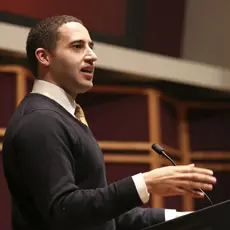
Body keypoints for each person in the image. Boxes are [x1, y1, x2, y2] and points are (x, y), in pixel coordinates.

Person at [2, 15, 216, 230]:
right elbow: (64, 210)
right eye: (77, 46)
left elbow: (100, 217)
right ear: (44, 57)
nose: (92, 56)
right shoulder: (40, 121)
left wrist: (182, 218)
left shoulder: (62, 116)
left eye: (91, 47)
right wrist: (146, 183)